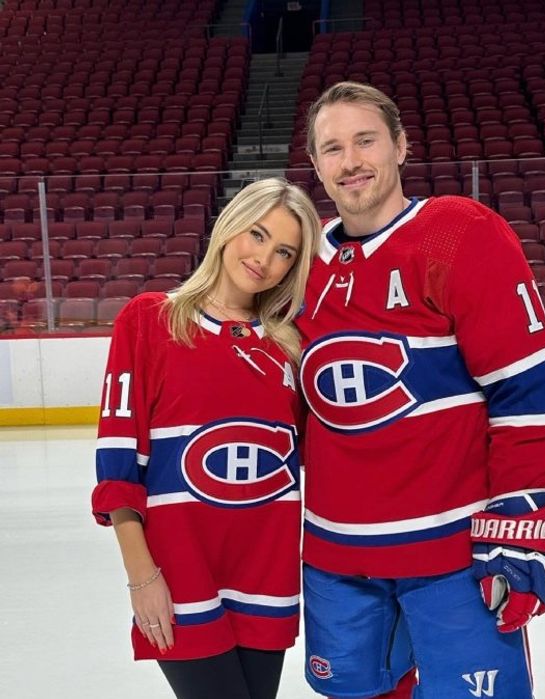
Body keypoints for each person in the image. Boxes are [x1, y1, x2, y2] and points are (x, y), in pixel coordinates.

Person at [296, 81, 545, 699]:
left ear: (400, 145)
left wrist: (517, 529)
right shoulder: (301, 262)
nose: (351, 161)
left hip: (452, 554)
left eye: (365, 140)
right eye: (332, 148)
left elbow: (529, 399)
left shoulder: (459, 233)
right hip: (336, 556)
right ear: (315, 165)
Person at [92, 178, 320, 699]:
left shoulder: (290, 346)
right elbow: (119, 459)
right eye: (257, 235)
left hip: (267, 571)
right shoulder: (151, 320)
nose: (265, 258)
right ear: (230, 226)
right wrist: (141, 575)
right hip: (182, 571)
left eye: (284, 251)